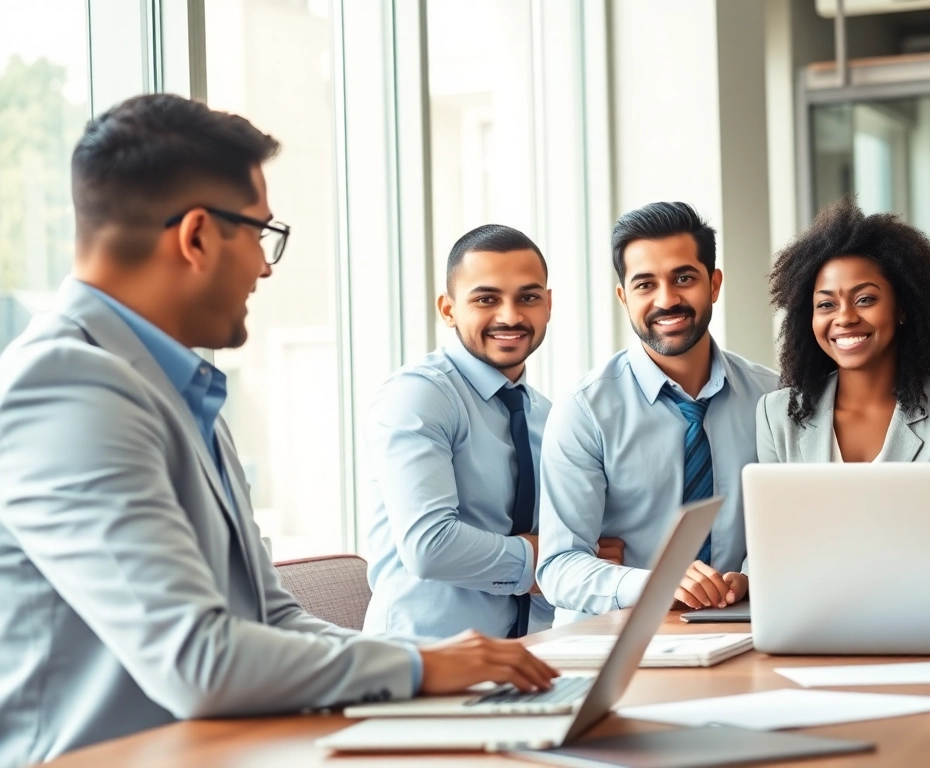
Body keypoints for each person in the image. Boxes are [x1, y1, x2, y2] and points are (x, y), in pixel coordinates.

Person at [0, 94, 555, 767]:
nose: (266, 266)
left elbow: (271, 616)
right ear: (198, 236)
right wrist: (417, 670)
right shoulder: (66, 385)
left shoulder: (179, 390)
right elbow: (197, 660)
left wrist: (439, 663)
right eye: (261, 233)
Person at [363, 224, 616, 640]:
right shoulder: (417, 396)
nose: (511, 316)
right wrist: (554, 560)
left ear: (548, 305)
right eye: (486, 299)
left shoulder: (547, 414)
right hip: (423, 663)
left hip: (529, 658)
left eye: (528, 297)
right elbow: (431, 547)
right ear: (447, 309)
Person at [536, 202, 778, 621]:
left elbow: (791, 530)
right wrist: (653, 583)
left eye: (683, 278)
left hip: (741, 630)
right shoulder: (585, 409)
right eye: (645, 285)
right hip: (617, 641)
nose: (667, 300)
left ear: (714, 284)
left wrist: (751, 578)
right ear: (623, 296)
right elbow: (558, 569)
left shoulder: (772, 398)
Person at [756, 196, 930, 464]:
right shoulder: (776, 415)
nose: (844, 317)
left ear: (902, 307)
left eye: (865, 299)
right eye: (826, 304)